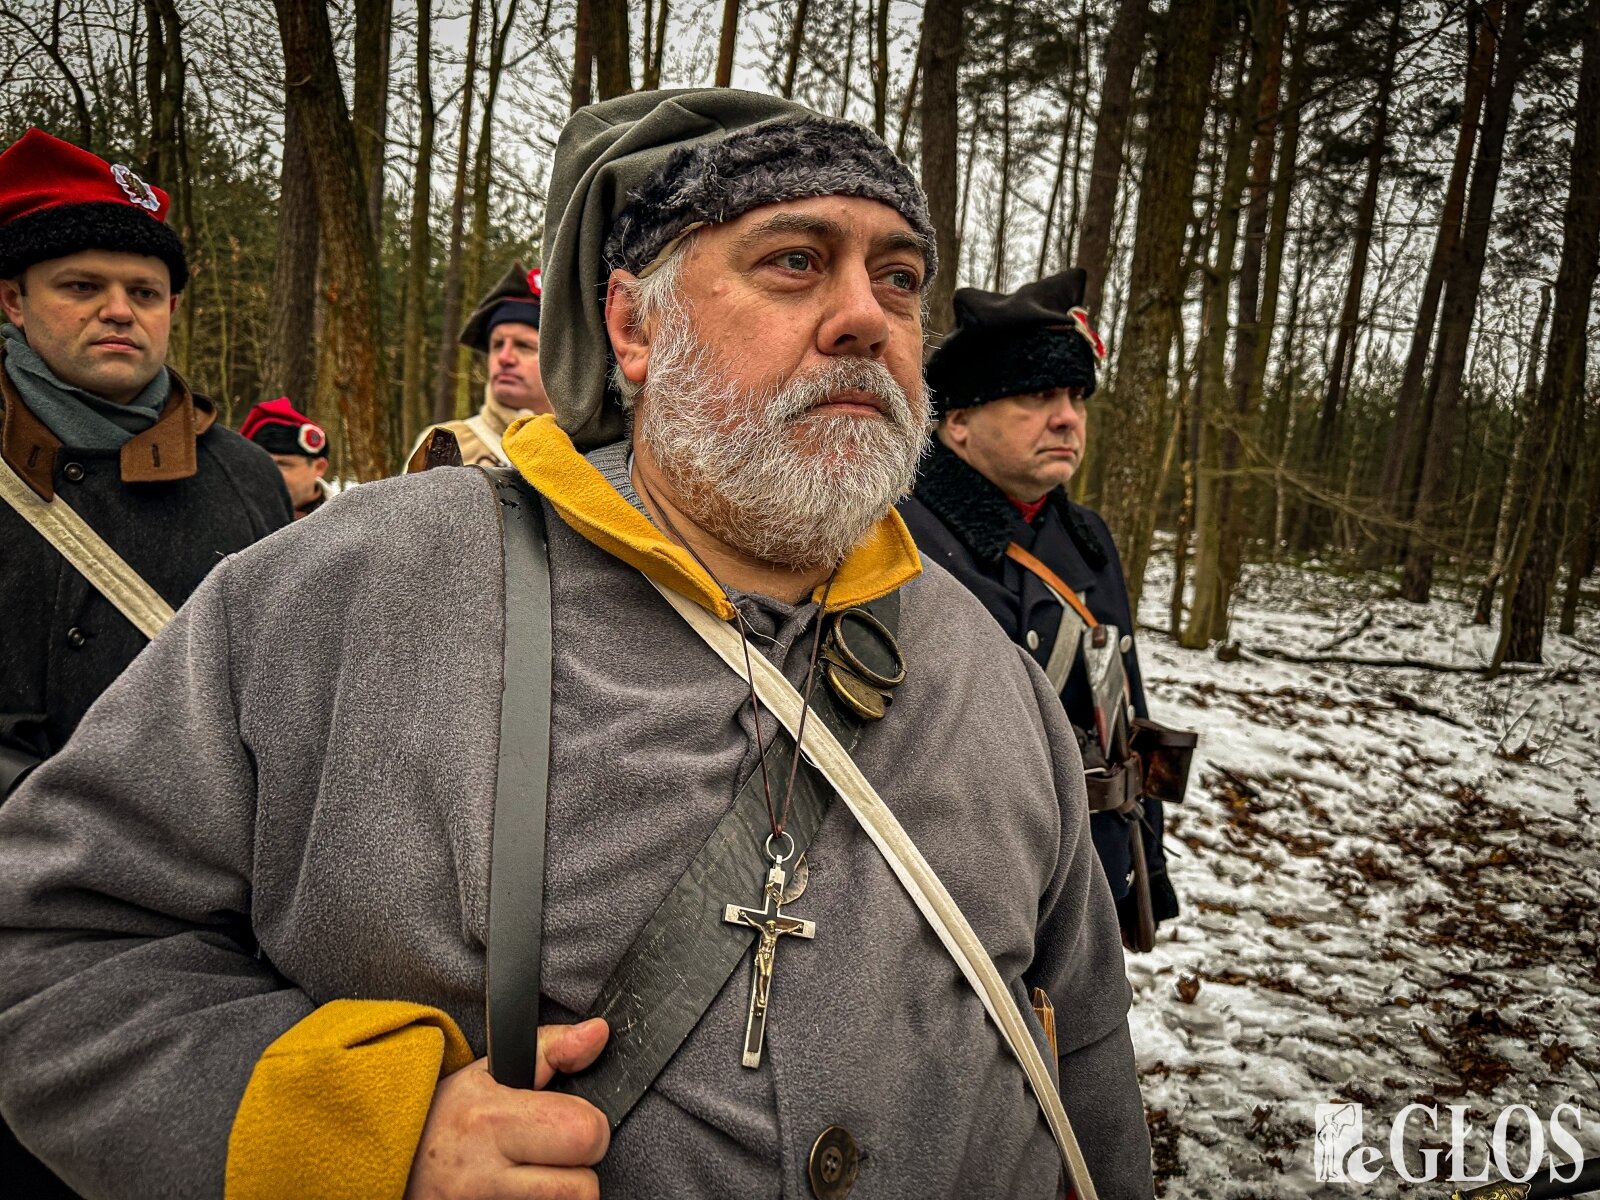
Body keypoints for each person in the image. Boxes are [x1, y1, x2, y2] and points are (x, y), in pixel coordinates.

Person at [0, 94, 1153, 1199]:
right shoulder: (349, 587)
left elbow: (1084, 1050)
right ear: (632, 327)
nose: (866, 314)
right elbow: (51, 942)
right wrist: (360, 1137)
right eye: (794, 261)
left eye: (898, 277)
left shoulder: (990, 672)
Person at [0, 128, 292, 1197]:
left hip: (187, 938)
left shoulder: (247, 480)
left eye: (144, 288)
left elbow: (286, 701)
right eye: (81, 284)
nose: (120, 309)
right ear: (13, 301)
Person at [899, 269, 1183, 951]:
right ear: (959, 421)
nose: (1067, 417)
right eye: (1037, 396)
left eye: (1076, 397)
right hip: (949, 893)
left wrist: (1145, 869)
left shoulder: (1087, 539)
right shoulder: (897, 532)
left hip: (1087, 873)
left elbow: (1125, 713)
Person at [409, 262, 549, 469]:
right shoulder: (443, 444)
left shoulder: (589, 447)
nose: (504, 357)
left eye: (524, 346)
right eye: (497, 345)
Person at [241, 396, 332, 518]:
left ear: (319, 467)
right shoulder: (231, 519)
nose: (269, 475)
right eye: (260, 464)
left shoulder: (350, 523)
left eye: (283, 464)